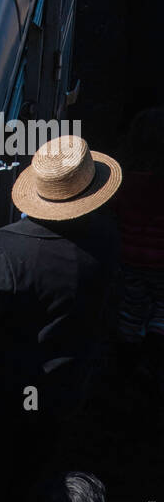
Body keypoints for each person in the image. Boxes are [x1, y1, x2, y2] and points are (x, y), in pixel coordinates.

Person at [0, 135, 121, 502]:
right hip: (62, 387)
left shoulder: (4, 251)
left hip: (3, 394)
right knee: (32, 471)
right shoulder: (105, 237)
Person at [112, 108, 164, 384]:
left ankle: (127, 362)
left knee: (132, 307)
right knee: (161, 309)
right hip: (161, 261)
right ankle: (153, 357)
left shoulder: (124, 178)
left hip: (130, 256)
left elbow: (117, 213)